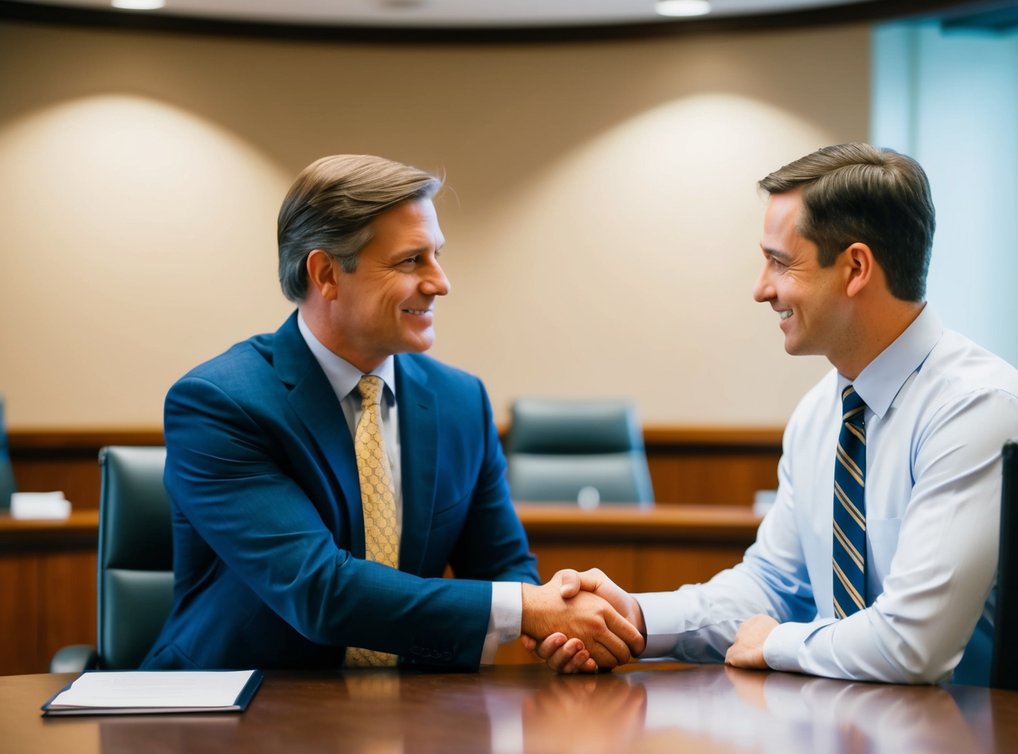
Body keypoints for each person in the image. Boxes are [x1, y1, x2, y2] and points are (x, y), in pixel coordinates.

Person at [531, 142, 1018, 684]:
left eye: (780, 262)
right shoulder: (819, 415)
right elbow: (773, 586)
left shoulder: (975, 410)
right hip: (870, 736)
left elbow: (911, 644)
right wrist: (633, 618)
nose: (762, 289)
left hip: (1004, 748)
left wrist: (775, 641)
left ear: (855, 268)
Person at [141, 154, 642, 672]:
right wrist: (525, 610)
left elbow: (503, 566)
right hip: (237, 712)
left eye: (437, 255)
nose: (440, 282)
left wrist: (553, 625)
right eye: (410, 261)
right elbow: (320, 591)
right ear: (327, 273)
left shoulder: (461, 400)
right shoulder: (220, 402)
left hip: (415, 714)